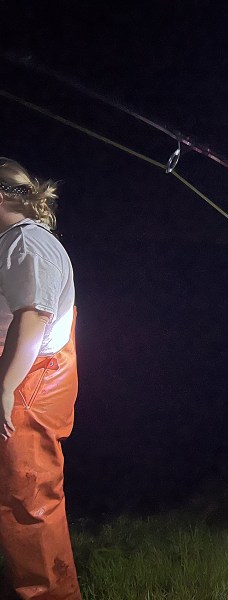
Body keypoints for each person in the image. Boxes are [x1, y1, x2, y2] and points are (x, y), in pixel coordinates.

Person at [0, 158, 82, 599]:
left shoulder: (29, 246)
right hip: (19, 372)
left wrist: (5, 385)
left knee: (28, 501)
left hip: (29, 380)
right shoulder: (13, 241)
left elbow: (33, 317)